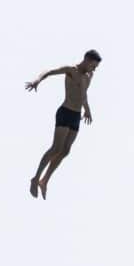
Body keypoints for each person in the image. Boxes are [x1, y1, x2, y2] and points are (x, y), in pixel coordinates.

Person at [26, 49, 102, 199]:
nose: (94, 69)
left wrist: (87, 110)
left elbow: (83, 94)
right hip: (65, 112)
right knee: (56, 148)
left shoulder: (89, 76)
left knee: (66, 150)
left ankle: (44, 180)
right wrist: (37, 80)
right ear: (86, 60)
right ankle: (35, 178)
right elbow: (49, 72)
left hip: (76, 115)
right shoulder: (71, 70)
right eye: (93, 65)